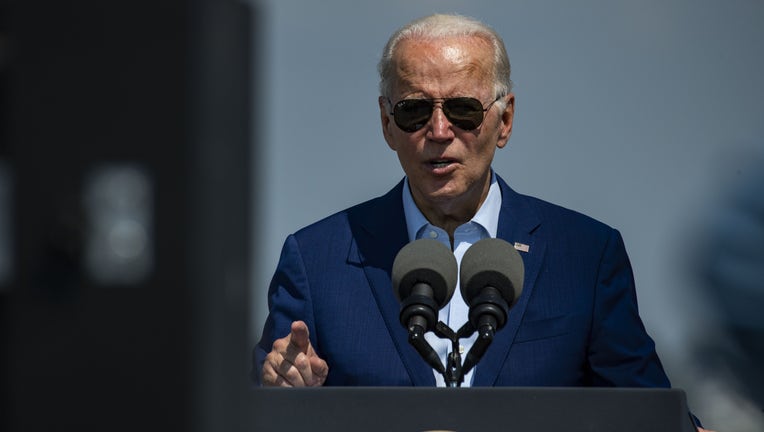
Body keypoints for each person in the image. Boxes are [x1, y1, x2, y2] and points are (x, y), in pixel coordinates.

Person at [253, 13, 711, 431]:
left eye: (463, 110)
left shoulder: (585, 255)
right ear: (387, 123)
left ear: (505, 119)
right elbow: (256, 411)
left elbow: (650, 414)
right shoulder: (317, 260)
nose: (438, 131)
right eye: (414, 110)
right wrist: (282, 395)